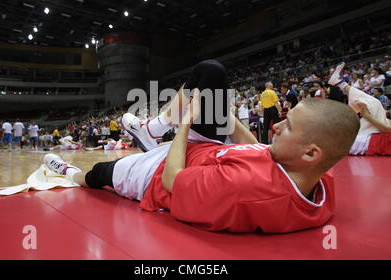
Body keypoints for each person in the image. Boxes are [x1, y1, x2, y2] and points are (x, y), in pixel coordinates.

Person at [43, 59, 360, 233]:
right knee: (212, 73)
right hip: (205, 146)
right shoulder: (316, 174)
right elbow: (259, 150)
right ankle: (151, 129)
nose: (275, 126)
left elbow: (172, 181)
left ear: (310, 152)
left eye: (287, 126)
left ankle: (68, 171)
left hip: (158, 173)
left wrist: (185, 123)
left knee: (97, 174)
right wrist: (229, 118)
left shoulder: (244, 190)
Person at [328, 62, 391, 156]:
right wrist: (379, 116)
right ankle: (341, 84)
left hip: (365, 143)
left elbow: (386, 129)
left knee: (375, 104)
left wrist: (367, 116)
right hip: (368, 140)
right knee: (375, 105)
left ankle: (341, 84)